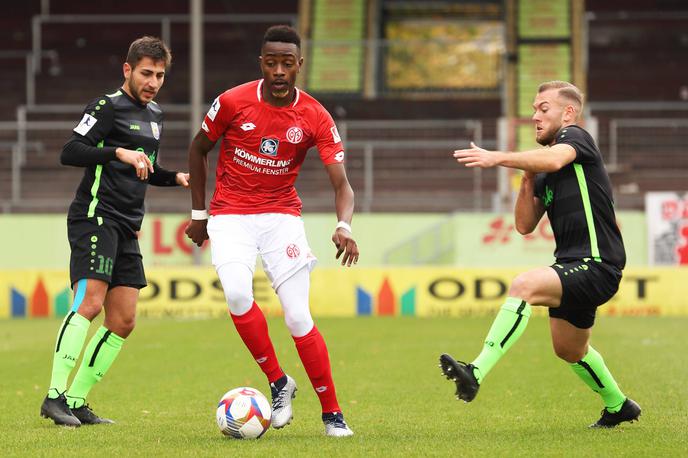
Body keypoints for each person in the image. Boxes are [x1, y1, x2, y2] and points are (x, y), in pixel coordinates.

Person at [184, 25, 359, 437]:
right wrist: (198, 213)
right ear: (261, 63)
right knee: (238, 294)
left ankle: (333, 414)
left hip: (282, 217)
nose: (278, 70)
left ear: (299, 65)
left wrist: (343, 224)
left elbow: (342, 184)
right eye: (270, 62)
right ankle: (280, 382)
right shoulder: (231, 101)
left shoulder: (315, 115)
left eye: (287, 63)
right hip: (230, 215)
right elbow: (198, 149)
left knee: (298, 316)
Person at [440, 81, 641, 428]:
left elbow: (556, 157)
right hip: (573, 266)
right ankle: (618, 405)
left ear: (568, 113)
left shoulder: (575, 138)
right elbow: (523, 224)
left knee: (524, 285)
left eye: (543, 108)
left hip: (597, 264)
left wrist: (497, 157)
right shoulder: (546, 169)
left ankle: (475, 371)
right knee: (569, 349)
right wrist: (527, 174)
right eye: (533, 109)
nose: (534, 116)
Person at [40, 36, 189, 426]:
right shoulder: (106, 107)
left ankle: (76, 400)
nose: (153, 82)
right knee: (89, 303)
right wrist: (116, 151)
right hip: (95, 215)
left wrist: (176, 178)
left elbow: (146, 169)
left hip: (127, 225)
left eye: (159, 75)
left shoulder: (156, 115)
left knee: (123, 320)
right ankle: (54, 396)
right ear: (127, 70)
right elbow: (70, 151)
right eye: (146, 73)